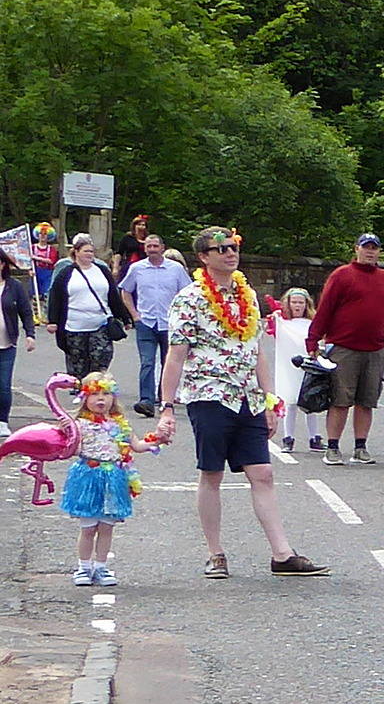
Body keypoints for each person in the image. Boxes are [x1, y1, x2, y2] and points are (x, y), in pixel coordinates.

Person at [152, 226, 329, 579]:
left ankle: (282, 554)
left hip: (247, 396)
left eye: (233, 247)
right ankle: (215, 553)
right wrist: (167, 406)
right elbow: (176, 355)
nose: (230, 254)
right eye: (221, 250)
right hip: (209, 395)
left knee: (262, 472)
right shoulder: (190, 298)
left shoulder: (247, 295)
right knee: (212, 473)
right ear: (204, 257)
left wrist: (269, 399)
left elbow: (256, 350)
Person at [307, 233, 384, 466]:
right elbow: (325, 308)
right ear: (357, 249)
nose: (370, 252)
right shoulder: (342, 275)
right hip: (344, 347)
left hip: (374, 348)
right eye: (366, 247)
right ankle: (333, 447)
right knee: (340, 399)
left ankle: (360, 447)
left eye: (374, 248)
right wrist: (313, 340)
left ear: (379, 252)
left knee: (367, 400)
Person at [59, 373, 156, 586]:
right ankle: (84, 568)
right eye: (94, 394)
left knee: (106, 527)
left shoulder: (120, 424)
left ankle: (101, 568)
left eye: (106, 394)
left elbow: (137, 446)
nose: (100, 399)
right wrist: (66, 431)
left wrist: (157, 440)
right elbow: (71, 450)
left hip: (114, 478)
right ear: (84, 398)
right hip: (88, 476)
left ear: (114, 397)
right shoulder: (79, 424)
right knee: (88, 527)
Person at [118, 233, 192, 417]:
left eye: (155, 246)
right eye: (148, 246)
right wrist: (135, 315)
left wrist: (183, 318)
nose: (152, 249)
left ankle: (165, 398)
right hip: (146, 322)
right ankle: (146, 401)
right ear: (145, 249)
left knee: (169, 362)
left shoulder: (175, 269)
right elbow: (125, 291)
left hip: (170, 324)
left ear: (162, 248)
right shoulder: (137, 268)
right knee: (147, 362)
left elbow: (188, 293)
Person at [45, 234, 130, 379]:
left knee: (102, 357)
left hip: (100, 323)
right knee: (79, 364)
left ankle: (97, 388)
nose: (89, 254)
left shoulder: (102, 271)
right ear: (76, 252)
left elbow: (113, 297)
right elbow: (56, 298)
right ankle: (82, 393)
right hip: (74, 326)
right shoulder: (66, 273)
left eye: (91, 251)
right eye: (86, 251)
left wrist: (125, 318)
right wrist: (52, 321)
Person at [269, 288, 325, 453]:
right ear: (288, 303)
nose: (297, 306)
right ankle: (288, 438)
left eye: (301, 302)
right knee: (290, 402)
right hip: (288, 367)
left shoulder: (312, 323)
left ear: (306, 304)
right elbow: (274, 332)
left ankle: (314, 437)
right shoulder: (282, 322)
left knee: (310, 402)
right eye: (294, 302)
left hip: (307, 366)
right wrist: (274, 321)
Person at [0, 249, 35, 437]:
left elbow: (26, 312)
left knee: (3, 385)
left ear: (3, 264)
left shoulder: (14, 286)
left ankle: (2, 420)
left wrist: (30, 334)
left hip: (6, 343)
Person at [30, 223, 58, 322]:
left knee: (47, 295)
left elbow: (51, 261)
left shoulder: (52, 249)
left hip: (47, 273)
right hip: (35, 272)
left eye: (45, 234)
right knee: (35, 295)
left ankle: (46, 315)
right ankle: (36, 316)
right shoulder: (32, 248)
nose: (42, 236)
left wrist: (36, 258)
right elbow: (27, 261)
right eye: (41, 234)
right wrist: (30, 270)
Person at [113, 215, 149, 283]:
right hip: (129, 265)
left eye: (143, 225)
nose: (141, 227)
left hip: (144, 267)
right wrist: (115, 268)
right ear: (134, 226)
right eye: (139, 225)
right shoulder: (127, 238)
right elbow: (119, 253)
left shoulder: (148, 239)